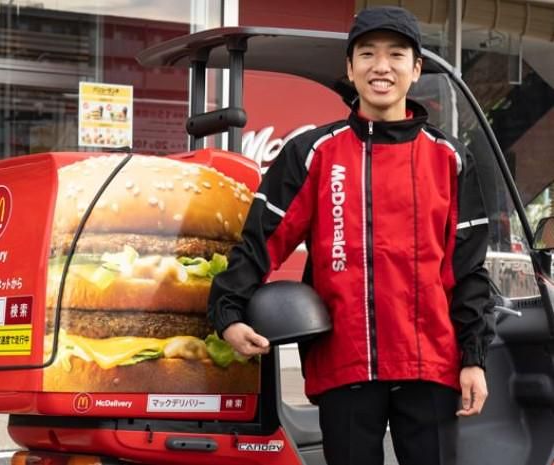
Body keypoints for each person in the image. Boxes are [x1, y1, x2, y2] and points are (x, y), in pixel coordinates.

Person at [208, 6, 494, 465]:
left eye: (396, 55)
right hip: (344, 366)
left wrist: (474, 358)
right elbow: (262, 239)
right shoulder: (313, 153)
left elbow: (468, 270)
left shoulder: (450, 159)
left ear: (416, 68)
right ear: (350, 67)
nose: (381, 67)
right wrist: (228, 312)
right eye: (367, 54)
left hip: (431, 368)